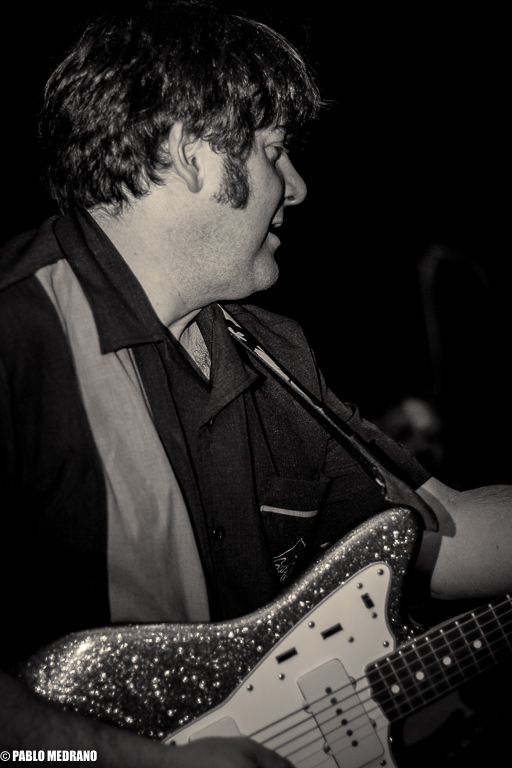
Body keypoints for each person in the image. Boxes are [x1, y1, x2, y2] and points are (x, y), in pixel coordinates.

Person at [1, 1, 511, 765]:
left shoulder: (271, 350)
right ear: (189, 154)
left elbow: (445, 533)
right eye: (274, 151)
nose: (297, 187)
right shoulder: (17, 338)